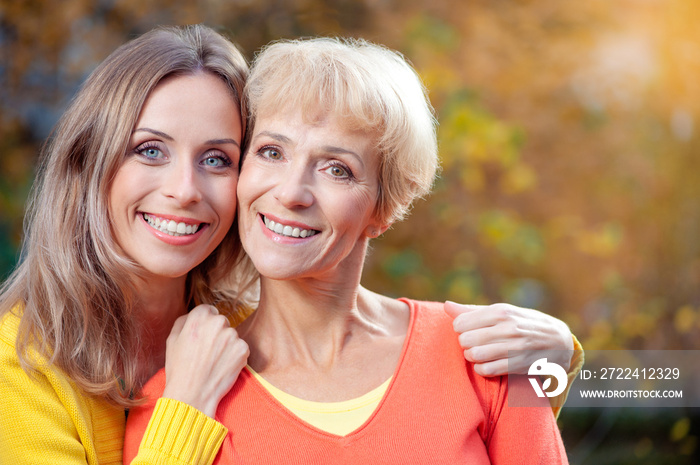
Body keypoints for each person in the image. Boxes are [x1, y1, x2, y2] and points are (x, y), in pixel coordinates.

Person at [125, 37, 570, 464]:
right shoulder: (177, 403)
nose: (291, 192)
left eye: (337, 169)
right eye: (271, 151)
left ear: (385, 207)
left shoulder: (491, 355)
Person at [0, 25, 253, 465]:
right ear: (88, 162)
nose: (185, 190)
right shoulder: (17, 362)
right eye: (150, 150)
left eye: (216, 159)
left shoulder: (249, 332)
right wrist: (188, 403)